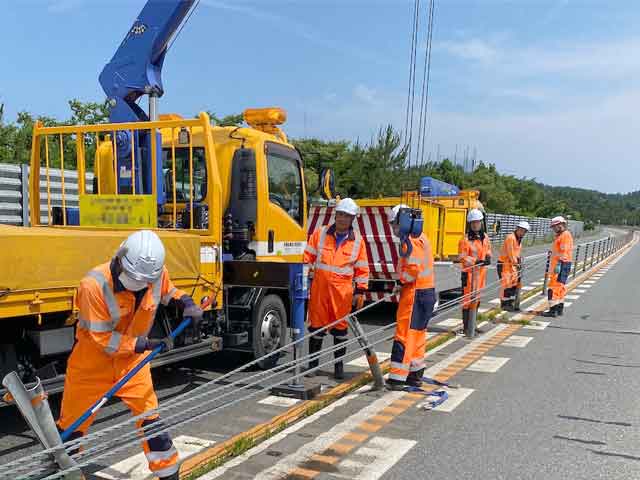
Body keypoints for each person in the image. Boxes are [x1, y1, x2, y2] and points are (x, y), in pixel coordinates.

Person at [57, 230, 203, 480]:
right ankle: (62, 473)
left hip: (133, 364)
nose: (138, 285)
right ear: (119, 259)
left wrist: (186, 302)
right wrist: (145, 344)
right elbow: (103, 340)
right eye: (133, 279)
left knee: (151, 423)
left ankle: (169, 475)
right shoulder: (93, 286)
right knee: (71, 429)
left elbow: (168, 291)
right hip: (91, 366)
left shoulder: (156, 275)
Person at [303, 198, 369, 380]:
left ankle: (338, 367)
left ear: (352, 219)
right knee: (316, 328)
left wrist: (361, 291)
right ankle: (312, 365)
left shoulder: (358, 242)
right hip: (320, 291)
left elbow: (362, 268)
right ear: (335, 215)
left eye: (346, 216)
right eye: (340, 214)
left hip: (342, 294)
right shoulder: (320, 233)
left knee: (340, 330)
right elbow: (307, 257)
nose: (342, 219)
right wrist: (301, 276)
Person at [386, 204, 436, 391]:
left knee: (404, 334)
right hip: (426, 292)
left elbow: (412, 271)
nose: (394, 229)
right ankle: (415, 375)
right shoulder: (422, 237)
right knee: (417, 335)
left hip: (414, 293)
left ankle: (397, 378)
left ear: (403, 222)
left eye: (394, 225)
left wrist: (400, 281)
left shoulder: (410, 240)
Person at [458, 209, 492, 337]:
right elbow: (462, 257)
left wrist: (488, 256)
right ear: (469, 224)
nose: (475, 225)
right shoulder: (465, 239)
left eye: (477, 222)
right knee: (467, 301)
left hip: (481, 274)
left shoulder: (485, 237)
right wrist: (475, 261)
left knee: (477, 299)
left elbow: (488, 249)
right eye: (473, 223)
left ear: (481, 223)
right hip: (469, 275)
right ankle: (467, 327)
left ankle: (473, 324)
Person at [542, 216, 574, 318]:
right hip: (563, 263)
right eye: (553, 227)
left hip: (561, 264)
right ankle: (559, 309)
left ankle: (553, 310)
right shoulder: (562, 235)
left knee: (553, 288)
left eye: (556, 226)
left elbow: (563, 251)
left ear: (562, 225)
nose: (554, 228)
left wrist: (559, 263)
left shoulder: (564, 235)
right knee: (560, 288)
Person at [497, 221, 530, 311]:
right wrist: (517, 263)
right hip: (504, 264)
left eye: (525, 231)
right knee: (506, 284)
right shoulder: (511, 238)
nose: (523, 233)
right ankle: (504, 304)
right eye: (522, 231)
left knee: (513, 284)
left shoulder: (518, 239)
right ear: (518, 229)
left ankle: (510, 303)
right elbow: (510, 253)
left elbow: (517, 253)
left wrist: (519, 261)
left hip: (512, 265)